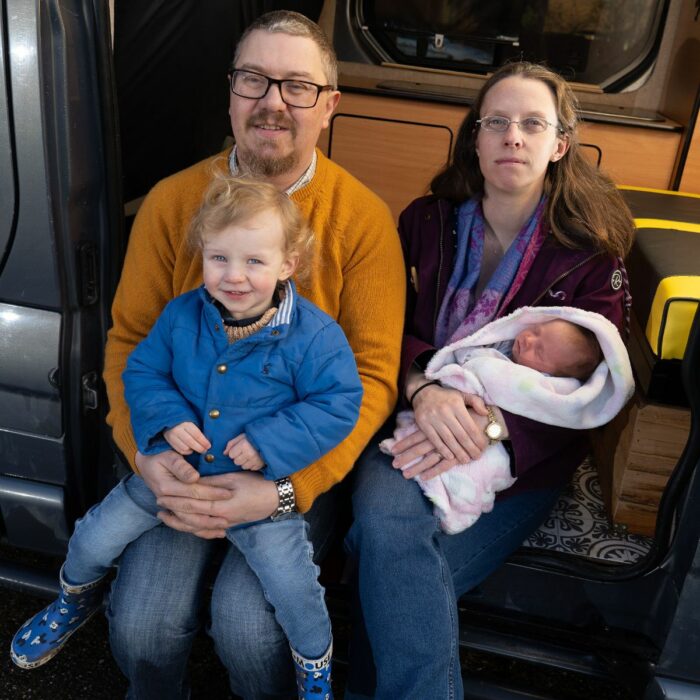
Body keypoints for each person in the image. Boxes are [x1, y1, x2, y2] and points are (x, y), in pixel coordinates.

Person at [101, 11, 405, 698]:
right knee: (142, 628)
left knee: (249, 629)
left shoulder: (363, 222)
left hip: (288, 465)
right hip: (179, 454)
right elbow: (128, 344)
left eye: (297, 85)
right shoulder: (171, 202)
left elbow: (372, 379)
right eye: (254, 79)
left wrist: (284, 490)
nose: (272, 101)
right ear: (231, 92)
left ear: (329, 105)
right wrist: (145, 451)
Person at [345, 61, 635, 698]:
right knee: (389, 535)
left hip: (515, 462)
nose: (513, 136)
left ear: (560, 144)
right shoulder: (424, 221)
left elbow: (598, 385)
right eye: (496, 122)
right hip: (414, 420)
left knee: (384, 566)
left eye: (533, 124)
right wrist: (426, 389)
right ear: (473, 138)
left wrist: (493, 424)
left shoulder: (590, 254)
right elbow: (378, 324)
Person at [11, 177, 363, 695]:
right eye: (219, 258)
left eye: (254, 262)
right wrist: (167, 421)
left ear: (289, 263)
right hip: (175, 475)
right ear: (202, 254)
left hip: (259, 490)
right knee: (93, 536)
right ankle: (74, 598)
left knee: (294, 590)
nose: (234, 276)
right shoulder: (182, 315)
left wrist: (269, 443)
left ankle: (315, 669)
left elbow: (339, 403)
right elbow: (143, 372)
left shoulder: (314, 336)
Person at [380, 308, 634, 535]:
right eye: (535, 330)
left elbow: (557, 407)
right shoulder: (499, 347)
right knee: (388, 520)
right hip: (426, 401)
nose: (527, 340)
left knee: (473, 472)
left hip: (511, 457)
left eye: (540, 351)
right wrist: (423, 386)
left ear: (550, 373)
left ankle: (458, 498)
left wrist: (493, 421)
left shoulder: (548, 387)